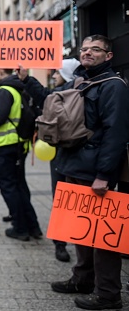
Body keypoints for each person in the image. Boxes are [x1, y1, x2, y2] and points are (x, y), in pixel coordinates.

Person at [49, 35, 129, 310]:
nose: (88, 53)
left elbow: (115, 134)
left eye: (96, 49)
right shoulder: (79, 82)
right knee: (79, 229)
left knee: (102, 235)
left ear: (108, 55)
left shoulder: (113, 86)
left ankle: (108, 294)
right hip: (74, 165)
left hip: (94, 171)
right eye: (84, 49)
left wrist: (105, 175)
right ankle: (82, 279)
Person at [18, 58, 81, 262]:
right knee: (61, 200)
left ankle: (76, 244)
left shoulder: (79, 91)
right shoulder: (58, 93)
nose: (53, 76)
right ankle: (60, 243)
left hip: (78, 156)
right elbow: (45, 96)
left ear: (66, 75)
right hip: (61, 155)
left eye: (57, 73)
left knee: (72, 202)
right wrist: (27, 78)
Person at [0, 68, 42, 241]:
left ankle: (20, 228)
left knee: (9, 188)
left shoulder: (5, 90)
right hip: (17, 145)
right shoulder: (18, 88)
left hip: (6, 146)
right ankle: (32, 226)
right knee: (19, 186)